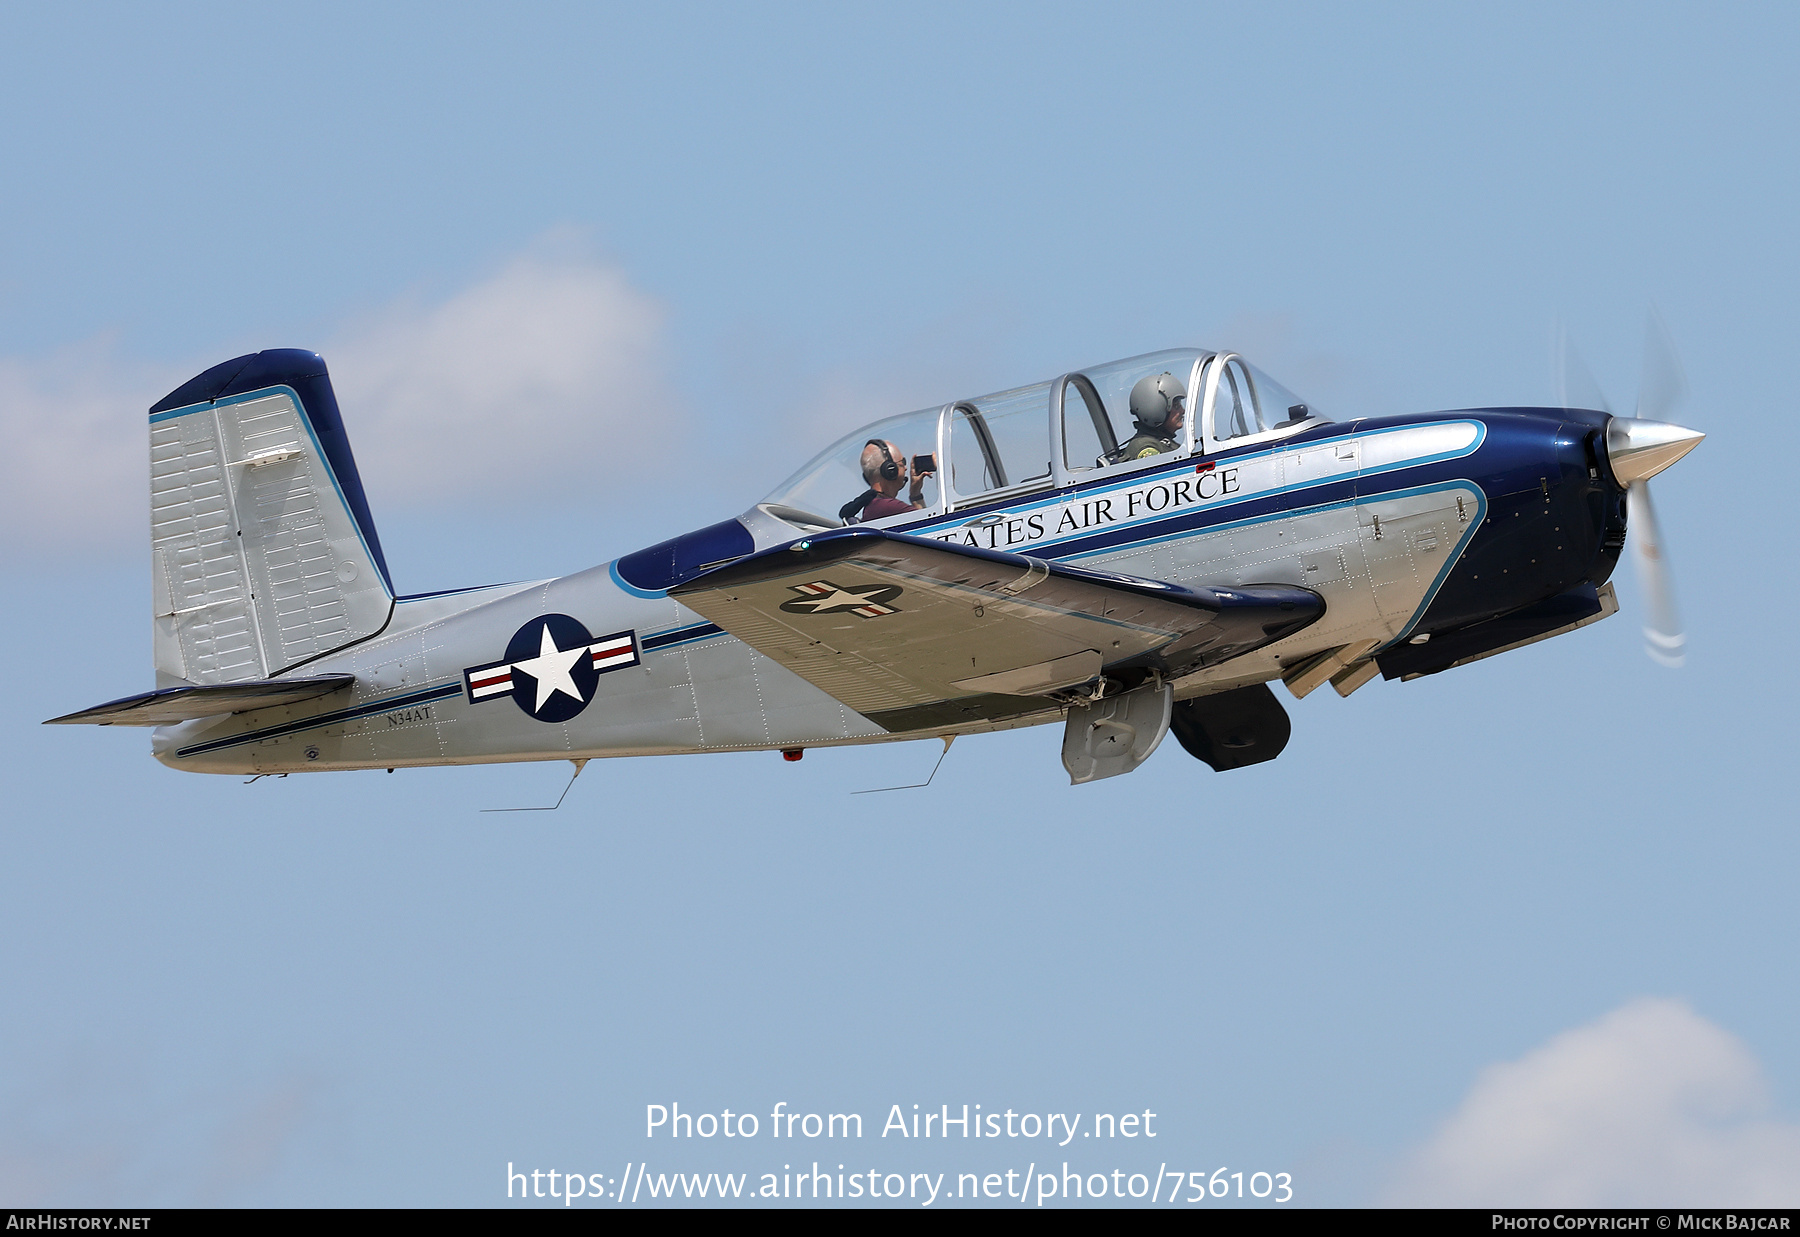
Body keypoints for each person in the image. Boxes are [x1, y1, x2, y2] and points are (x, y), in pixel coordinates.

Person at [841, 439, 933, 522]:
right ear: (890, 469)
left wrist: (915, 494)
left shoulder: (875, 505)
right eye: (902, 462)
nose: (905, 468)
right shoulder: (888, 506)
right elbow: (928, 525)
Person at [1113, 372, 1187, 461]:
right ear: (1156, 407)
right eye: (1176, 405)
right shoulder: (1145, 447)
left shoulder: (1163, 443)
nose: (1182, 411)